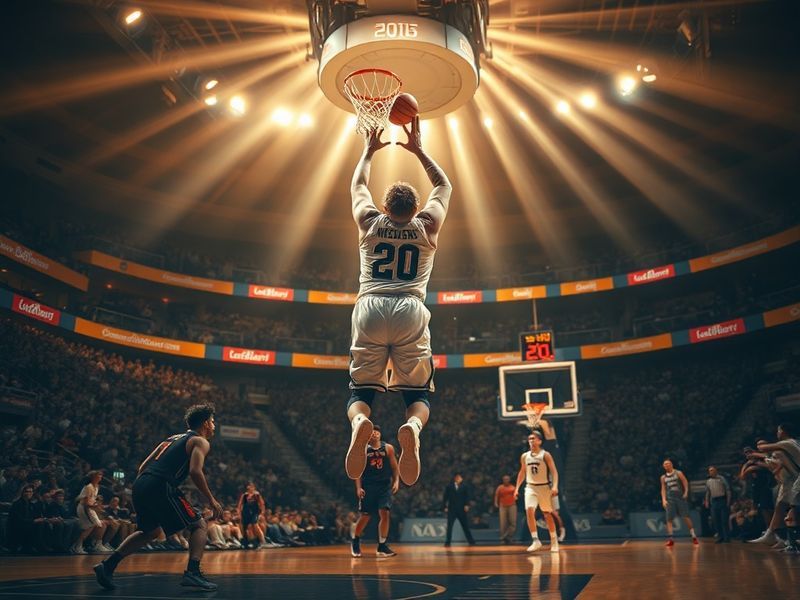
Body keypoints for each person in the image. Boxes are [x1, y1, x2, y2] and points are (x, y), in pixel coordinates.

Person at [345, 117, 452, 487]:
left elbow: (358, 184)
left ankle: (361, 423)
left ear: (386, 204)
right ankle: (411, 427)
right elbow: (444, 184)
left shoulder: (369, 221)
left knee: (361, 391)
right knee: (417, 393)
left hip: (371, 307)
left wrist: (368, 151)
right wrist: (418, 149)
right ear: (415, 206)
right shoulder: (427, 226)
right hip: (409, 307)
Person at [93, 404, 222, 591]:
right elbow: (195, 471)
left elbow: (142, 467)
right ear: (205, 424)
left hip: (141, 483)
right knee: (199, 524)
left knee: (150, 531)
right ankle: (193, 573)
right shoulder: (200, 441)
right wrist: (211, 499)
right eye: (212, 421)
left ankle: (107, 566)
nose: (214, 425)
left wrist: (146, 489)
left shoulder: (170, 439)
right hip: (160, 484)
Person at [351, 425, 400, 558]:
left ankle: (382, 545)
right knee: (366, 516)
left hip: (384, 486)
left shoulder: (388, 448)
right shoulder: (363, 449)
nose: (375, 433)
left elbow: (395, 467)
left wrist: (396, 481)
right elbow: (357, 472)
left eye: (377, 431)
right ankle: (355, 540)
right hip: (368, 486)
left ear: (380, 434)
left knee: (385, 513)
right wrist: (358, 487)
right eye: (372, 432)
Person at [514, 431, 560, 552]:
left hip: (544, 487)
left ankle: (554, 540)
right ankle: (535, 540)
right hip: (530, 487)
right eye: (529, 439)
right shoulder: (524, 456)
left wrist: (555, 486)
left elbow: (554, 472)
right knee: (529, 510)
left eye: (533, 438)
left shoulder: (546, 455)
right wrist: (517, 488)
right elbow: (522, 472)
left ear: (539, 441)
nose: (531, 441)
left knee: (547, 514)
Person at [660, 459, 698, 546]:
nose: (666, 465)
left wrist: (686, 492)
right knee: (669, 520)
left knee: (686, 517)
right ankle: (671, 539)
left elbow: (685, 482)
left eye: (668, 463)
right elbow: (663, 489)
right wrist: (663, 499)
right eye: (665, 464)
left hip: (680, 498)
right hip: (670, 499)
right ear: (663, 466)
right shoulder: (663, 477)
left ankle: (694, 536)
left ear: (672, 464)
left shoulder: (678, 473)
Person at [443, 473, 476, 546]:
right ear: (455, 478)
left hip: (461, 509)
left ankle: (471, 541)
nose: (459, 478)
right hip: (452, 509)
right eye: (457, 477)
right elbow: (445, 497)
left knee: (465, 526)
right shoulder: (449, 486)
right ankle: (448, 542)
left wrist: (467, 505)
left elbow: (467, 496)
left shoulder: (465, 487)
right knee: (450, 526)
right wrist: (444, 506)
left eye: (460, 477)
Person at [703, 466, 731, 543]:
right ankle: (720, 536)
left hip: (722, 499)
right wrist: (707, 501)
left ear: (716, 471)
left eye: (712, 470)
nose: (711, 472)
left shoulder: (721, 478)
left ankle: (727, 537)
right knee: (716, 520)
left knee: (724, 520)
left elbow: (727, 490)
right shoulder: (708, 481)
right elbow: (708, 492)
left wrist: (728, 501)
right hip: (714, 501)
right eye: (710, 471)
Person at [237, 482, 268, 549]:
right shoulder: (244, 495)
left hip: (255, 513)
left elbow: (262, 504)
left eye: (251, 486)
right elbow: (239, 505)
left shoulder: (257, 495)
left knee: (255, 525)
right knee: (245, 527)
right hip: (246, 513)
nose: (250, 487)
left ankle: (262, 541)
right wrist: (239, 513)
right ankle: (249, 542)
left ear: (254, 487)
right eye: (249, 486)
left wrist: (262, 513)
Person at [494, 475, 517, 544]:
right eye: (505, 479)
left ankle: (507, 537)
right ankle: (503, 539)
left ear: (509, 480)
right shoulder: (500, 487)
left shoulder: (513, 487)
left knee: (513, 522)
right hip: (503, 506)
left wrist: (516, 497)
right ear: (503, 480)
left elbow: (516, 495)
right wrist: (496, 503)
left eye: (507, 479)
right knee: (503, 523)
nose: (506, 480)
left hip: (512, 505)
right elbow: (496, 495)